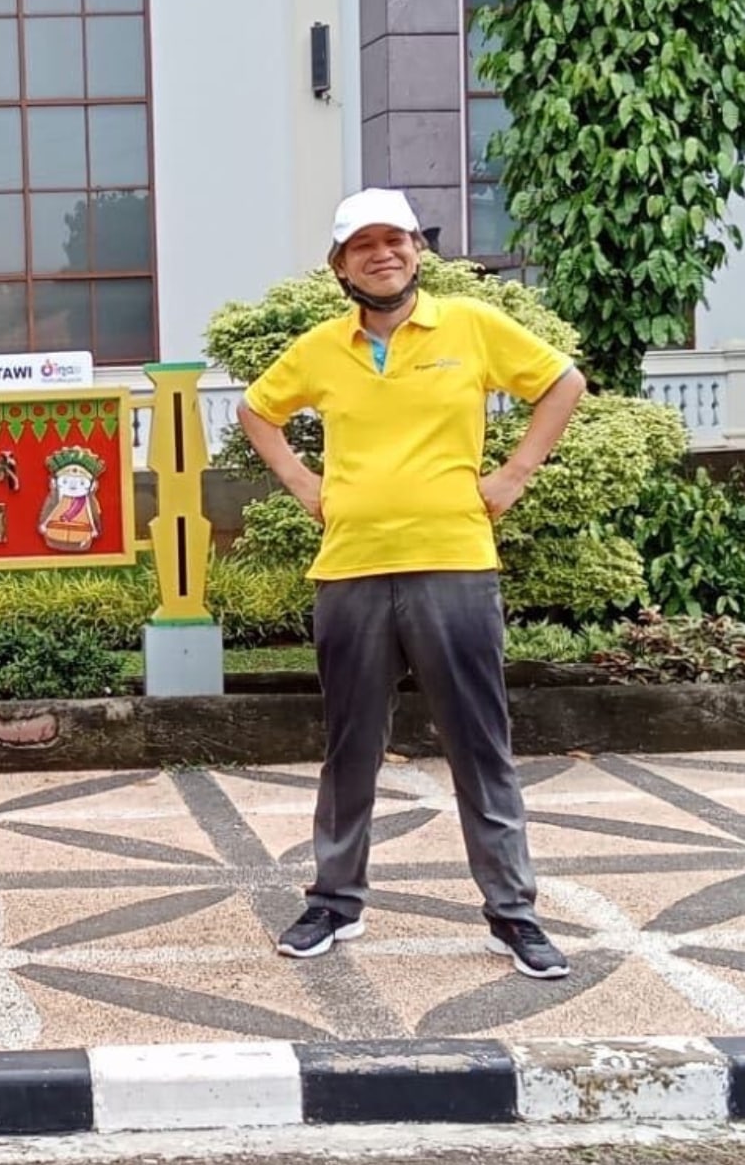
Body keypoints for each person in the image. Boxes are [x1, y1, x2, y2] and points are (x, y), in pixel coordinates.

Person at [236, 187, 587, 980]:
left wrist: (515, 473)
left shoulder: (470, 326)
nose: (382, 254)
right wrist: (301, 482)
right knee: (349, 742)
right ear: (340, 265)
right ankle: (334, 899)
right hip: (351, 565)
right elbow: (260, 411)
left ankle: (513, 912)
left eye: (394, 240)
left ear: (417, 251)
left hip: (454, 560)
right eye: (363, 245)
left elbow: (562, 383)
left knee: (478, 740)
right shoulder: (323, 347)